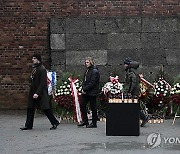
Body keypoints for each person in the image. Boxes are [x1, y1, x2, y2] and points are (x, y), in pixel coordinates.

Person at [20, 53, 59, 130]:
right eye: (33, 58)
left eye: (34, 58)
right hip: (33, 91)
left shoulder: (42, 69)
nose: (33, 60)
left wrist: (37, 93)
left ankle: (54, 122)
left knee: (45, 108)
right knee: (30, 108)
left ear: (38, 59)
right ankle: (28, 125)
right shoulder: (35, 68)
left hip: (40, 92)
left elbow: (43, 83)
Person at [123, 57, 149, 127]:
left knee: (132, 107)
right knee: (133, 106)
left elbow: (132, 82)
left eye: (125, 64)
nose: (124, 65)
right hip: (135, 91)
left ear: (127, 64)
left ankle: (143, 117)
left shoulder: (130, 71)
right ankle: (142, 117)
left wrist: (128, 91)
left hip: (133, 92)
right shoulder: (133, 70)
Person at [78, 57, 100, 128]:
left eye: (87, 62)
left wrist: (84, 89)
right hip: (87, 91)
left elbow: (93, 83)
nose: (86, 64)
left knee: (93, 107)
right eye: (85, 62)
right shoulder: (87, 70)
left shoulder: (94, 71)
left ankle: (94, 123)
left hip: (92, 92)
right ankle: (85, 121)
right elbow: (85, 80)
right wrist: (83, 88)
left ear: (91, 62)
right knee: (82, 105)